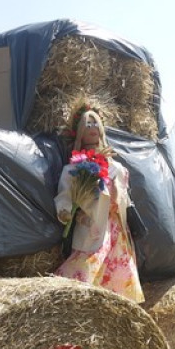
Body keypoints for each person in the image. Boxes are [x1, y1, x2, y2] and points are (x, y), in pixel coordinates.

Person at [54, 107, 144, 303]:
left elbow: (124, 198)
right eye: (87, 123)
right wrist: (65, 211)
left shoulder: (116, 167)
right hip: (92, 223)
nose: (92, 126)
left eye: (95, 122)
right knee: (86, 267)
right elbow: (65, 194)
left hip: (116, 227)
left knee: (116, 270)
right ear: (79, 132)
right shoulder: (74, 168)